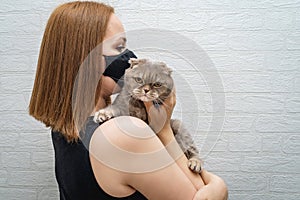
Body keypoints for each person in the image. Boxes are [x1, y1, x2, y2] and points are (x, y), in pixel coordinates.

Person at [29, 1, 228, 200]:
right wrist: (164, 128)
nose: (129, 58)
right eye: (119, 47)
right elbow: (202, 193)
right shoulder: (124, 134)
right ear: (86, 59)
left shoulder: (64, 126)